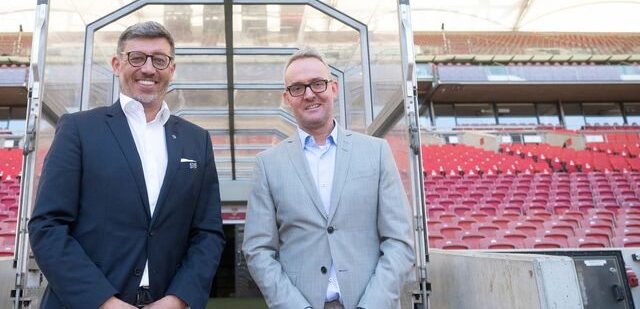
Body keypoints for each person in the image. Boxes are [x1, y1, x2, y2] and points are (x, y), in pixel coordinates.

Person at [29, 21, 225, 309]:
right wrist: (103, 302)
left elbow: (208, 233)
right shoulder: (78, 129)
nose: (148, 68)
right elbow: (47, 226)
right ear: (116, 64)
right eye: (136, 57)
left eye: (159, 59)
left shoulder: (197, 140)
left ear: (171, 69)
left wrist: (177, 299)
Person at [242, 47, 415, 309]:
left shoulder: (376, 152)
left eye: (317, 83)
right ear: (287, 98)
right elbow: (257, 250)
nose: (309, 94)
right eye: (298, 88)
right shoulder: (268, 164)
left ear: (333, 88)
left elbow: (399, 241)